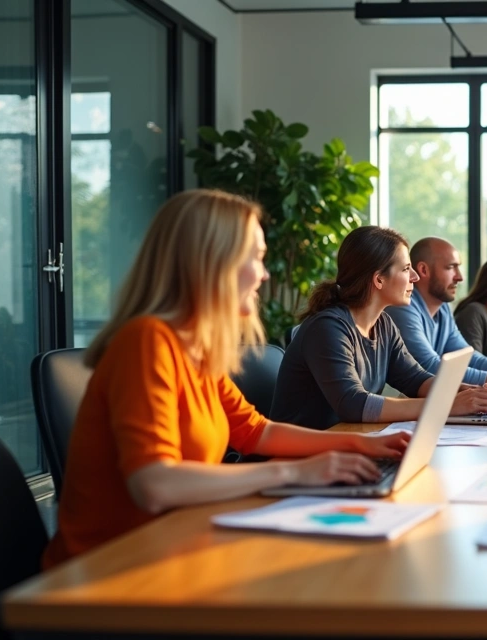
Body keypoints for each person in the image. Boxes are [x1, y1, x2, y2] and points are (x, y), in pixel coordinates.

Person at [43, 190, 413, 569]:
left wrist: (360, 444)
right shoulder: (147, 342)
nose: (265, 274)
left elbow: (256, 432)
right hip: (109, 570)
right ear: (213, 261)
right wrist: (293, 471)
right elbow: (154, 484)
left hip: (173, 546)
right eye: (256, 257)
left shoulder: (196, 350)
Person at [272, 227, 487, 431]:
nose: (415, 277)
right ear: (378, 279)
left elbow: (416, 380)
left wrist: (469, 392)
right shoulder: (327, 328)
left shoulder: (383, 324)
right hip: (299, 457)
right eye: (406, 269)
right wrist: (445, 405)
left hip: (344, 445)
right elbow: (353, 404)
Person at [385, 238, 487, 387]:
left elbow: (470, 358)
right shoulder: (404, 307)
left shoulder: (443, 308)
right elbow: (429, 366)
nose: (460, 277)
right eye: (451, 267)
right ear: (424, 270)